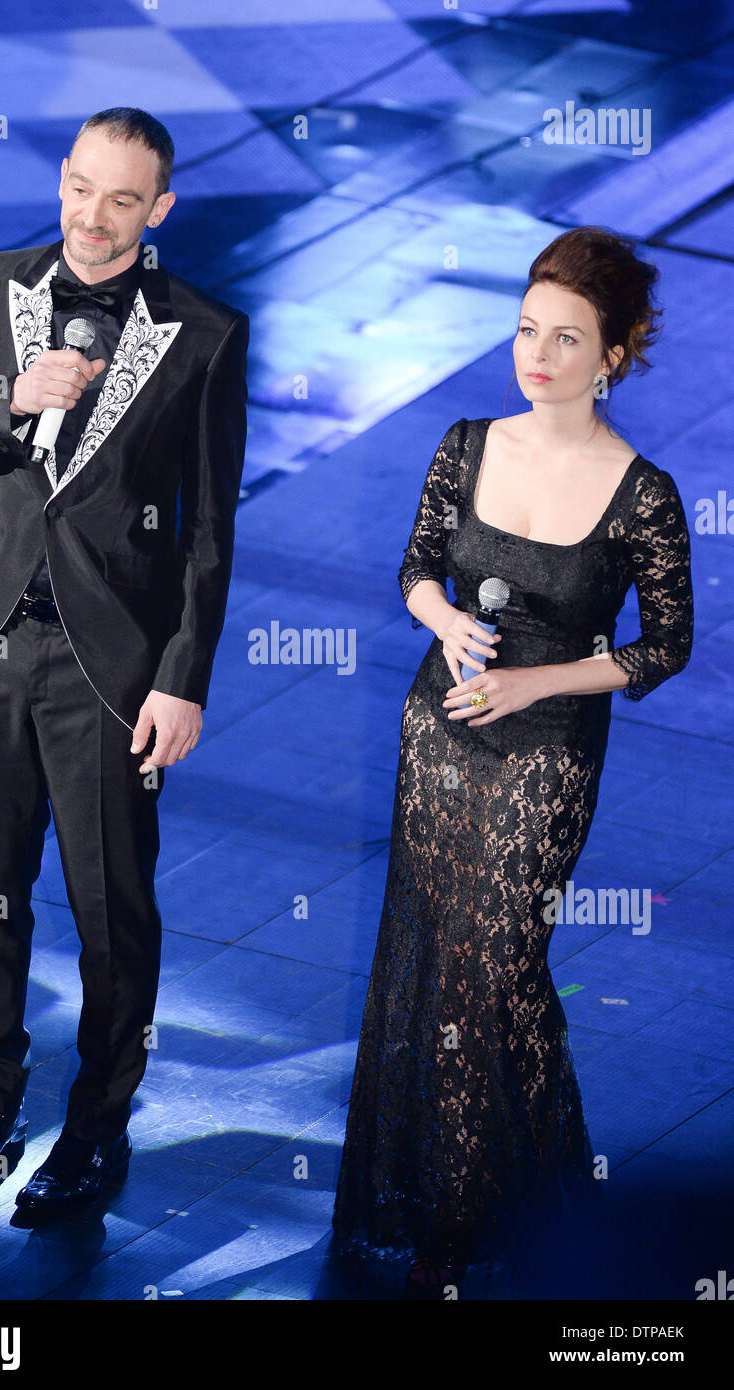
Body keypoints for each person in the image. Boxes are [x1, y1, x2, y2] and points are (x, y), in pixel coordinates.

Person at [330, 226, 693, 1291]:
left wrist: (540, 678)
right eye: (527, 329)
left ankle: (509, 1210)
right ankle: (467, 1206)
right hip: (437, 730)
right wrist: (442, 621)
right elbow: (413, 571)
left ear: (614, 354)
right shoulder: (465, 442)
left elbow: (663, 647)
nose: (537, 355)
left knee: (499, 970)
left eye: (566, 337)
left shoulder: (642, 495)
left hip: (547, 750)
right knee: (437, 961)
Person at [0, 107, 249, 1218]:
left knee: (112, 907)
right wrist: (12, 399)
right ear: (60, 178)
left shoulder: (203, 333)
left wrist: (183, 675)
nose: (92, 220)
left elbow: (209, 531)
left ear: (159, 210)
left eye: (120, 200)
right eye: (80, 188)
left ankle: (98, 1129)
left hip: (113, 668)